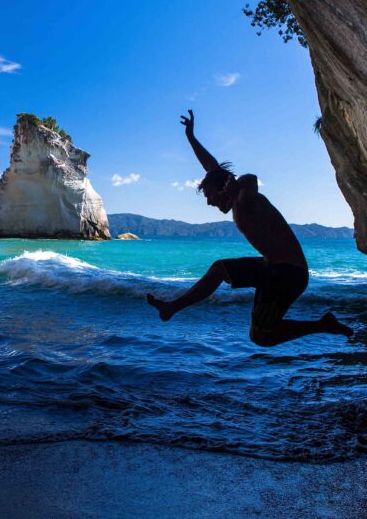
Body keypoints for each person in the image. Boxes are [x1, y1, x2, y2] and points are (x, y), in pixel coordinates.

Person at [147, 110, 353, 347]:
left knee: (261, 336)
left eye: (210, 196)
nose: (209, 202)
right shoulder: (233, 197)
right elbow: (212, 168)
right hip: (272, 267)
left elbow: (251, 178)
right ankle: (172, 307)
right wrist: (191, 137)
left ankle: (322, 325)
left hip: (289, 273)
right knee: (220, 271)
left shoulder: (245, 199)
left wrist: (235, 187)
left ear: (223, 189)